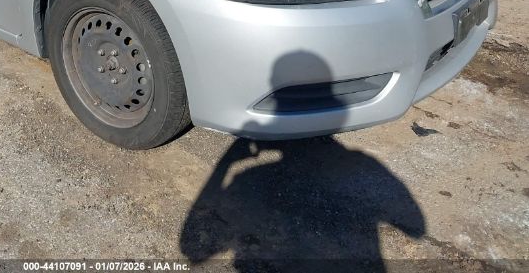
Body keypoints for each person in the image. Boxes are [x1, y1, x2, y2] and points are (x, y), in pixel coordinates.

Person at [180, 51, 426, 272]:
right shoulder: (365, 163)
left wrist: (226, 164)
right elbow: (417, 227)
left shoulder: (246, 176)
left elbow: (191, 249)